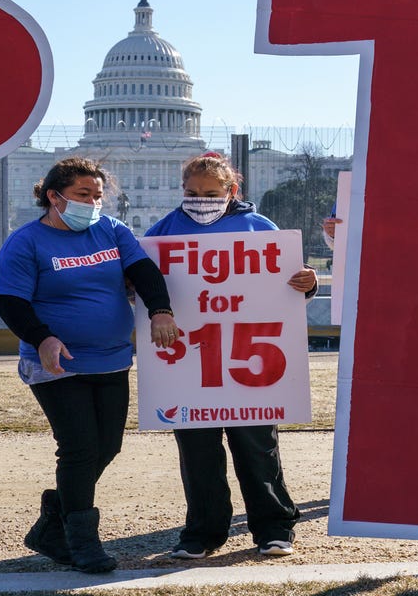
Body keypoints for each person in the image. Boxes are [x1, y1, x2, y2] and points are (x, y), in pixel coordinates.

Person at [0, 158, 179, 573]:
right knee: (79, 448)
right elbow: (10, 300)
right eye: (82, 195)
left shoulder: (111, 230)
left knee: (107, 445)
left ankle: (53, 521)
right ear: (53, 197)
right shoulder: (26, 242)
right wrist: (43, 338)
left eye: (97, 195)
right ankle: (83, 543)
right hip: (58, 363)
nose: (92, 203)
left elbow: (143, 271)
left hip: (111, 359)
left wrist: (161, 310)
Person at [145, 152, 318, 558]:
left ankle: (274, 528)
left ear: (231, 192)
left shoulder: (259, 227)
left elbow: (287, 284)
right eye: (191, 192)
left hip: (247, 362)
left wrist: (307, 282)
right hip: (189, 364)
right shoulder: (163, 230)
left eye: (210, 193)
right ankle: (202, 534)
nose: (199, 199)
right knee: (198, 456)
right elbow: (140, 279)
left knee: (257, 450)